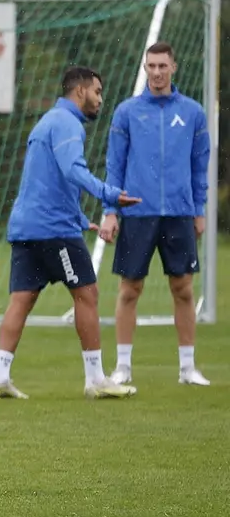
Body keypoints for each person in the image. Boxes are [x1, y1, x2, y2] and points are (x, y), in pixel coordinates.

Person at [0, 66, 142, 401]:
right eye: (97, 92)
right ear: (80, 91)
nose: (100, 99)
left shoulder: (47, 122)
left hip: (26, 227)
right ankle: (96, 379)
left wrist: (82, 219)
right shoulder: (68, 123)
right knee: (87, 294)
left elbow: (46, 182)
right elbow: (73, 171)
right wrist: (110, 195)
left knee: (22, 300)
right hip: (53, 230)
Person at [99, 42, 211, 387]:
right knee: (129, 289)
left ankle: (188, 369)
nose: (157, 72)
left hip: (179, 212)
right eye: (152, 66)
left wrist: (199, 209)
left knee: (183, 289)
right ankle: (122, 367)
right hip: (137, 212)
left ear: (173, 67)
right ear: (145, 68)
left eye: (163, 66)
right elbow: (114, 166)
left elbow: (199, 166)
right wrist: (110, 211)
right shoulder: (126, 112)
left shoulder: (193, 112)